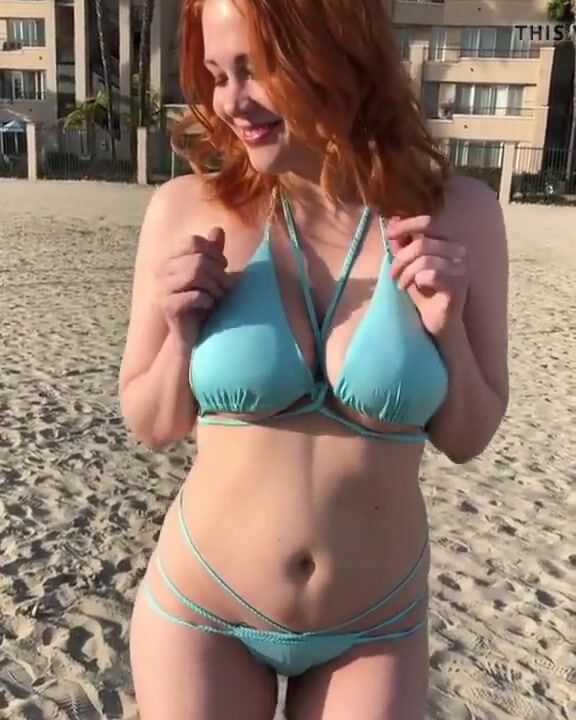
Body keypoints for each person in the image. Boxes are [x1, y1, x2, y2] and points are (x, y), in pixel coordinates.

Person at [119, 0, 508, 717]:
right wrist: (179, 333)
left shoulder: (460, 214)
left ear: (332, 51)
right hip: (202, 616)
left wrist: (447, 330)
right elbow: (152, 423)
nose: (231, 101)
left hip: (376, 629)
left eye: (254, 69)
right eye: (217, 75)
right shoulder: (185, 209)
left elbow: (469, 436)